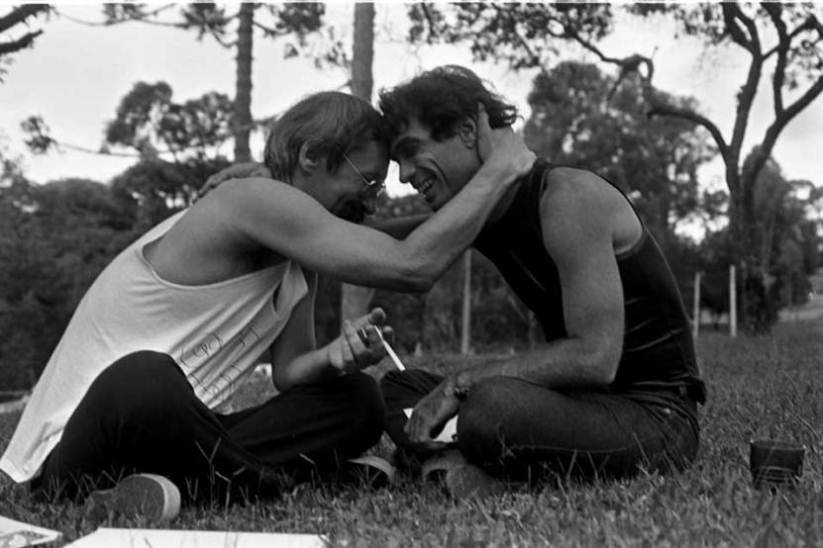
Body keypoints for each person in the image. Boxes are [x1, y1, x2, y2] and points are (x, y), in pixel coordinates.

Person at [0, 90, 535, 517]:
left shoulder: (297, 253)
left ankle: (168, 489)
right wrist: (498, 172)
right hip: (76, 451)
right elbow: (411, 265)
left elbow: (290, 371)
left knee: (357, 399)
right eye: (368, 181)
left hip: (173, 440)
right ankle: (271, 484)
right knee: (144, 376)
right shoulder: (251, 201)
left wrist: (334, 358)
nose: (373, 202)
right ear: (311, 156)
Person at [377, 65, 707, 493]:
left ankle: (474, 464)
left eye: (411, 151)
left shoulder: (568, 198)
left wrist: (460, 384)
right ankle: (464, 464)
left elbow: (595, 358)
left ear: (467, 131)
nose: (404, 174)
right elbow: (385, 244)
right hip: (573, 404)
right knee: (399, 388)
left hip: (654, 415)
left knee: (490, 406)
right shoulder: (483, 214)